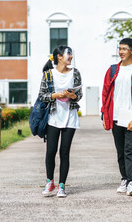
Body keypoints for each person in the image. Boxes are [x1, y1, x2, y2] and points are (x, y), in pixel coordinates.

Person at [101, 38, 132, 196]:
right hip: (115, 116)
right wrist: (104, 114)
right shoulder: (113, 70)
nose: (121, 52)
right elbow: (106, 93)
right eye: (119, 49)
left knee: (129, 149)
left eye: (124, 49)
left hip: (130, 116)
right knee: (120, 151)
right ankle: (124, 179)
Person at [39, 45, 82, 198]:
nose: (70, 57)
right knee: (51, 151)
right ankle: (49, 181)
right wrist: (56, 95)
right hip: (53, 117)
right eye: (68, 54)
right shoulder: (49, 74)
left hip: (70, 117)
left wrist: (72, 96)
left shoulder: (75, 73)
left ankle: (62, 185)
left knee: (64, 152)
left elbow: (79, 95)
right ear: (59, 57)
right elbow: (42, 95)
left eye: (71, 54)